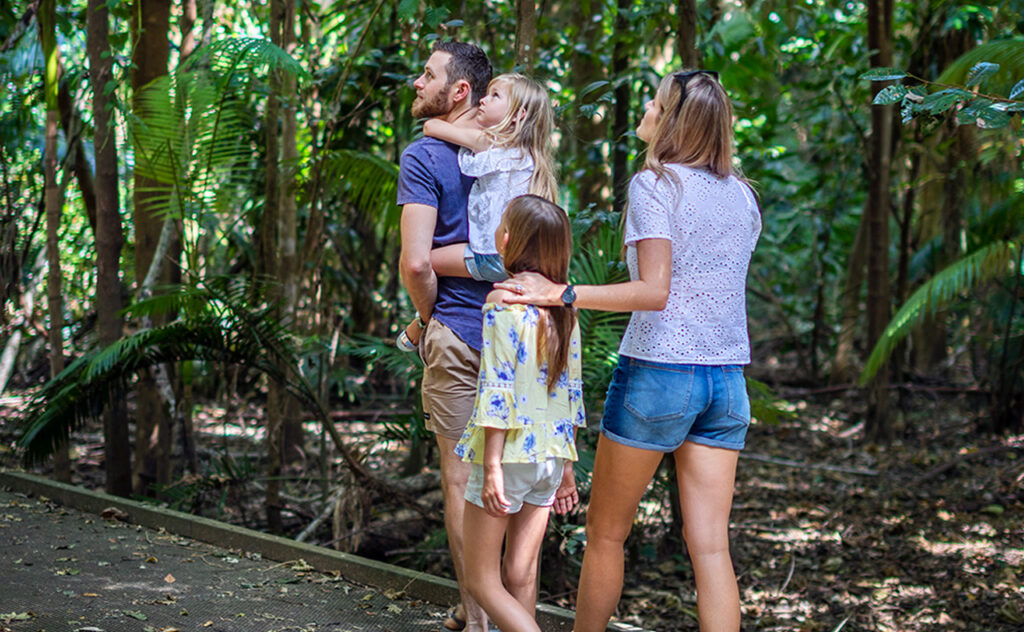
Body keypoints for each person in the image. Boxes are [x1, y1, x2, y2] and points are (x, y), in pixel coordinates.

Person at [497, 70, 761, 632]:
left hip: (660, 373)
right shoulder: (742, 193)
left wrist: (561, 292)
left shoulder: (656, 183)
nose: (646, 106)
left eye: (657, 102)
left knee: (607, 532)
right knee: (711, 547)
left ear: (674, 121)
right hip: (727, 383)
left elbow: (654, 291)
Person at [396, 39, 492, 632]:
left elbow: (415, 263)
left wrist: (426, 319)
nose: (416, 82)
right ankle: (504, 610)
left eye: (427, 74)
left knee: (460, 478)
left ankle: (477, 616)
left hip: (456, 330)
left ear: (460, 91)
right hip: (519, 332)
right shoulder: (517, 151)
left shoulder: (424, 155)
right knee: (511, 479)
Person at [455, 194, 585, 632]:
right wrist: (567, 467)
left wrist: (491, 466)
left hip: (507, 455)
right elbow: (571, 394)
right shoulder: (567, 308)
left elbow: (497, 389)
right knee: (521, 574)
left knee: (481, 579)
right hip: (549, 459)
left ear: (507, 238)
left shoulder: (500, 300)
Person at [398, 72, 557, 351]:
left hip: (490, 257)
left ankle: (422, 323)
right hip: (517, 261)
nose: (482, 100)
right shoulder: (531, 157)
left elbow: (431, 128)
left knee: (421, 261)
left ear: (519, 114)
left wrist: (440, 120)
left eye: (495, 96)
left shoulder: (493, 144)